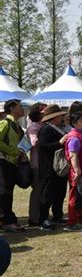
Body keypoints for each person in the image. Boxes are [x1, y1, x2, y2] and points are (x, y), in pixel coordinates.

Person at [37, 104, 69, 230]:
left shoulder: (56, 128)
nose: (62, 117)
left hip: (58, 167)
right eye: (60, 115)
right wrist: (59, 143)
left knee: (59, 192)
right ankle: (43, 219)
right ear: (54, 117)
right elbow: (42, 146)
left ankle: (58, 215)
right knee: (47, 194)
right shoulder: (45, 129)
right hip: (49, 166)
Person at [0, 99, 26, 232]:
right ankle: (7, 221)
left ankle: (6, 219)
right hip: (4, 162)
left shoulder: (17, 125)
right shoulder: (5, 123)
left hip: (13, 163)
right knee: (5, 193)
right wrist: (15, 151)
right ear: (11, 109)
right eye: (20, 106)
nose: (23, 109)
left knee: (8, 192)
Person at [64, 111, 82, 231]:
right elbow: (73, 155)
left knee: (80, 195)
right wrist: (77, 171)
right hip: (76, 171)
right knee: (75, 196)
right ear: (74, 123)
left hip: (80, 169)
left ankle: (77, 217)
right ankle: (72, 221)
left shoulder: (78, 135)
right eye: (81, 121)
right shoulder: (74, 137)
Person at [26, 102, 46, 227]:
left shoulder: (41, 125)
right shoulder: (34, 127)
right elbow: (34, 142)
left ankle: (39, 215)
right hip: (37, 163)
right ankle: (33, 217)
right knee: (37, 191)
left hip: (42, 162)